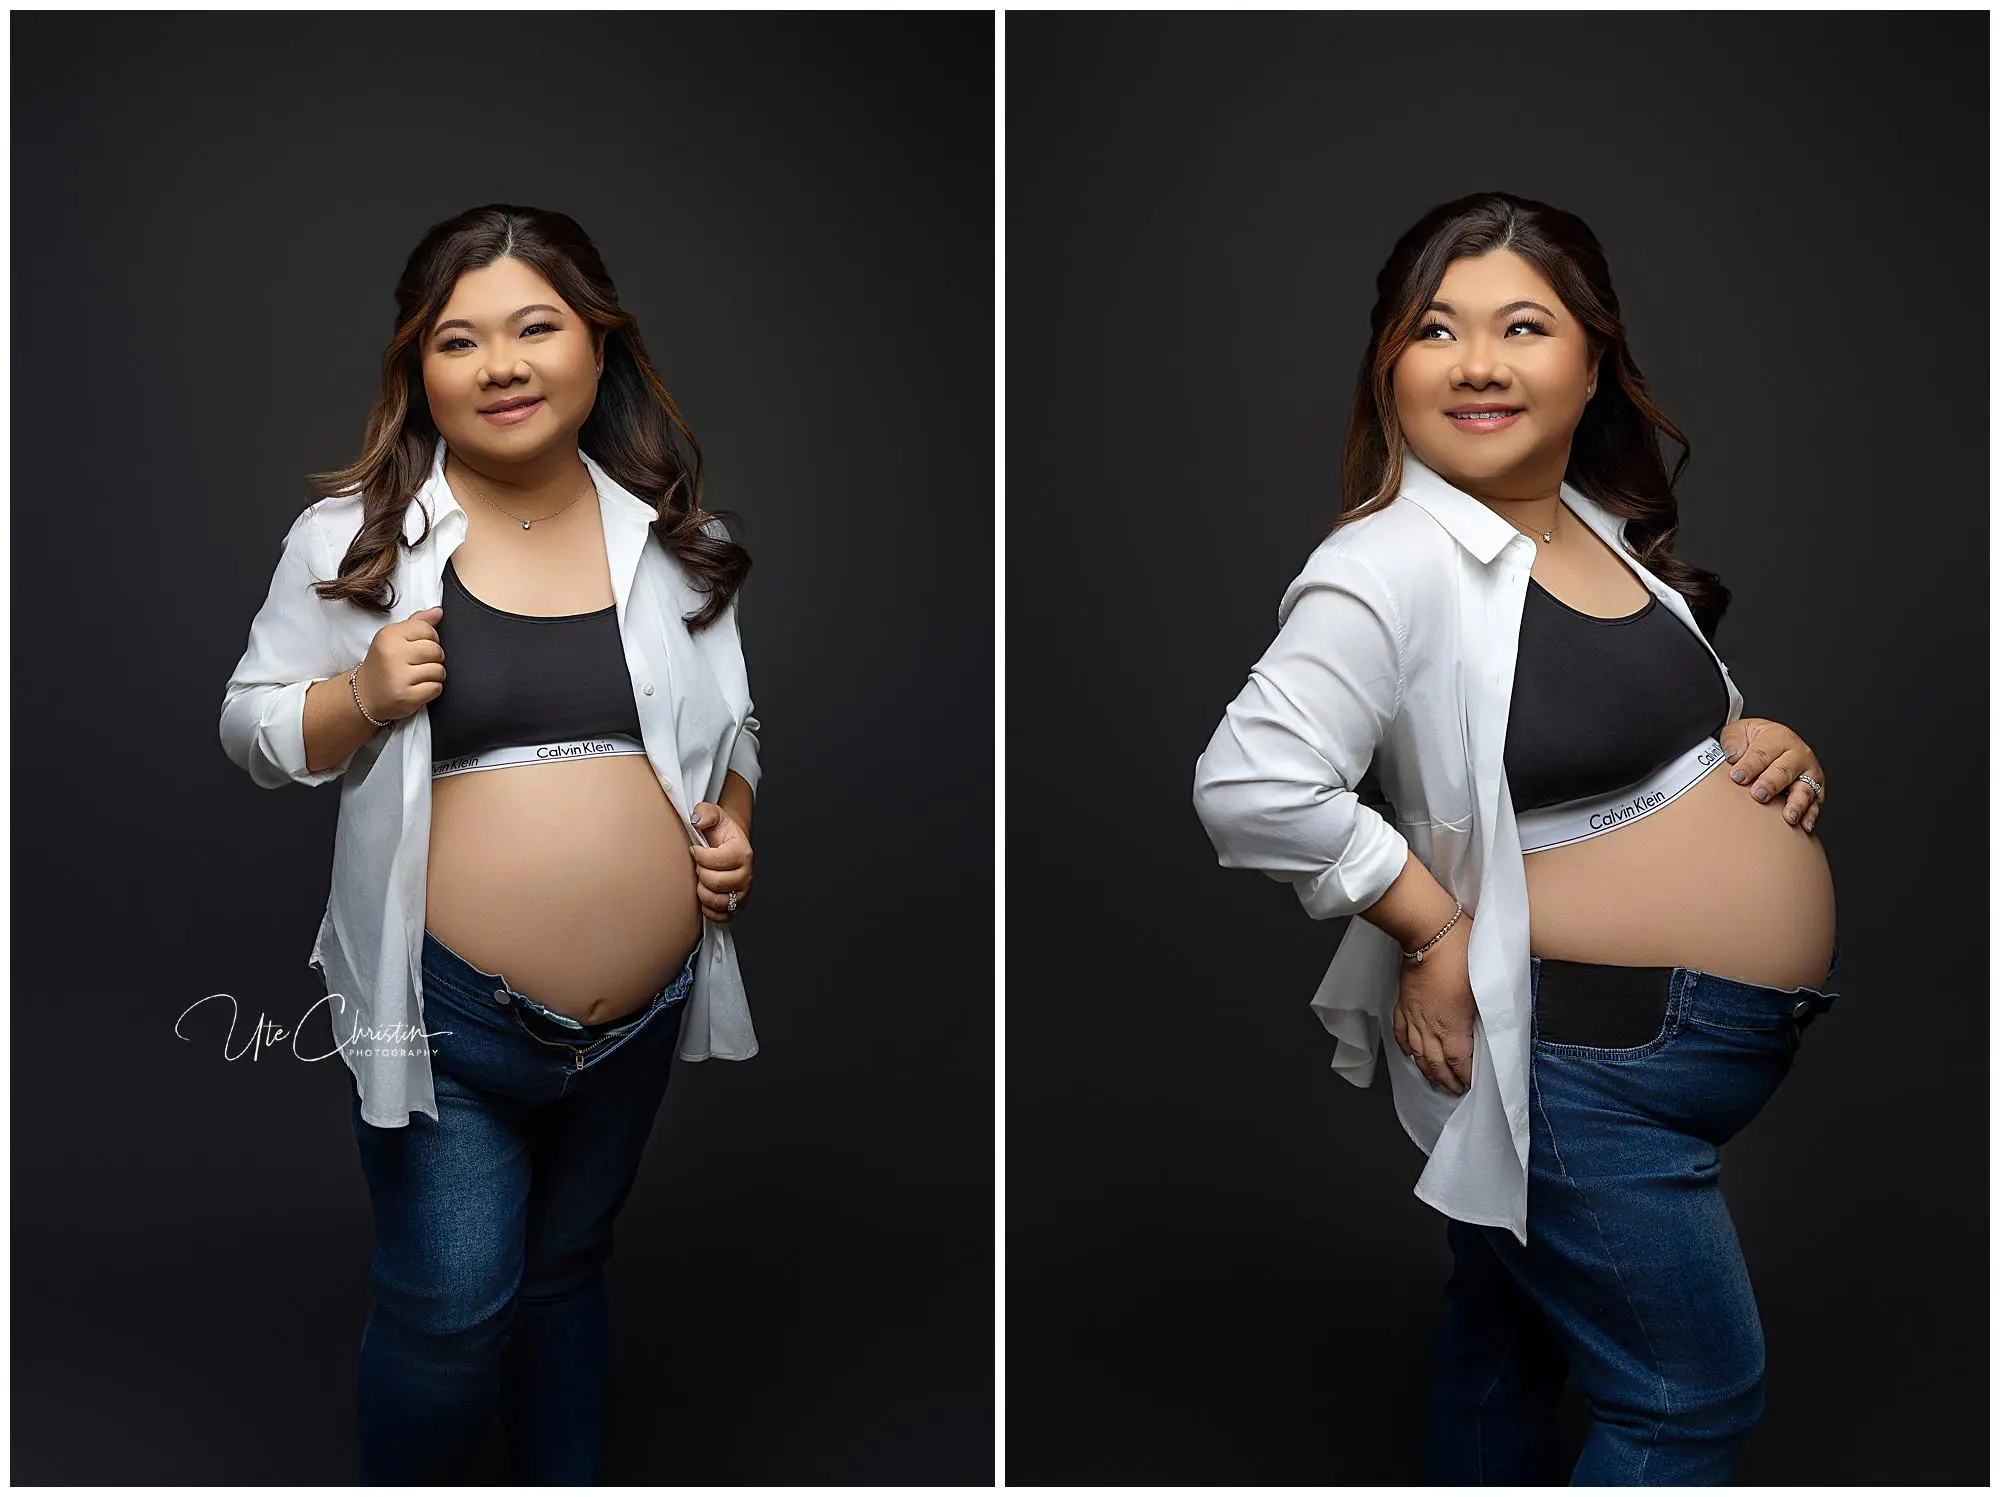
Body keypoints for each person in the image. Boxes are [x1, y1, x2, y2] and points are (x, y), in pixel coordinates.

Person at [1191, 191, 1839, 1485]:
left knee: (1503, 1356)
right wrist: (1427, 921)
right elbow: (1251, 781)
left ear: (1592, 363)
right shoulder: (1390, 561)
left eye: (1524, 325)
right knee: (1686, 1398)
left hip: (1645, 1057)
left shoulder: (1594, 530)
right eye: (1437, 328)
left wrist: (1763, 741)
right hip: (1579, 1063)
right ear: (1392, 366)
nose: (1478, 361)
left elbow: (1611, 747)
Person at [218, 204, 763, 1484]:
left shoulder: (680, 542)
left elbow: (734, 735)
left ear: (598, 345)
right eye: (458, 340)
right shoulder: (356, 540)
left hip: (638, 1017)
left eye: (535, 327)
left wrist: (734, 831)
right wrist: (359, 695)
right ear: (418, 368)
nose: (501, 364)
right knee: (451, 1308)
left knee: (568, 1272)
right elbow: (245, 726)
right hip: (446, 1012)